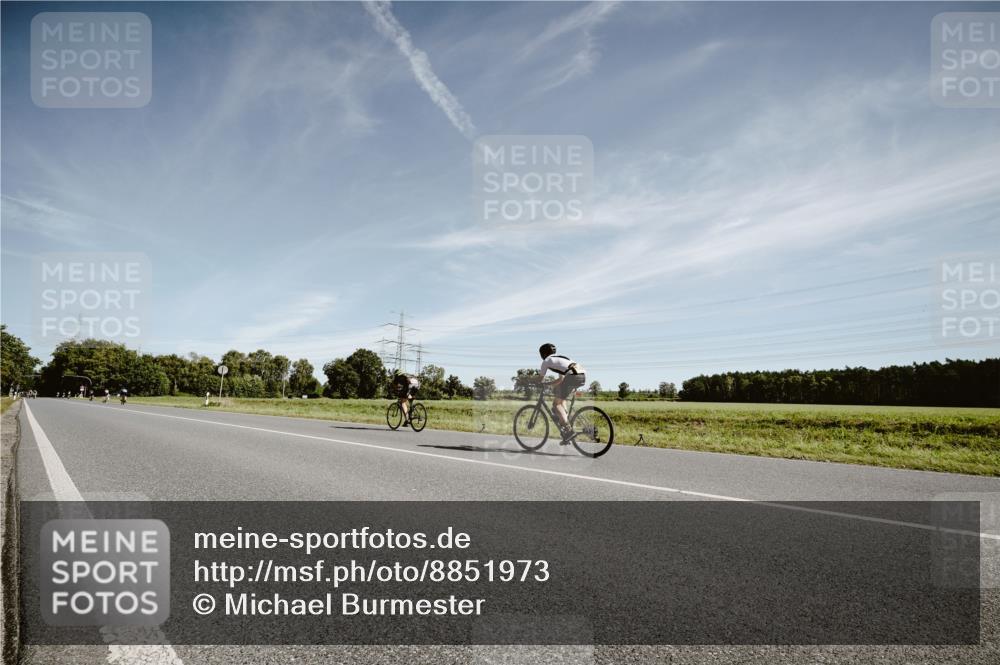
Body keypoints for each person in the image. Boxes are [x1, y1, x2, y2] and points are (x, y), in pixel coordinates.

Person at [538, 343, 586, 441]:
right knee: (560, 396)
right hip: (582, 375)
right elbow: (560, 380)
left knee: (556, 405)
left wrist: (534, 383)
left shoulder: (547, 361)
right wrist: (548, 384)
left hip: (572, 377)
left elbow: (540, 379)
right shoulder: (559, 359)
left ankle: (569, 430)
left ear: (543, 354)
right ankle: (564, 419)